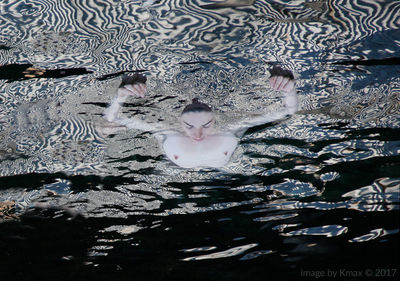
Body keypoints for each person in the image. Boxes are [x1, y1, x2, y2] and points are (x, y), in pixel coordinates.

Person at [101, 66, 298, 168]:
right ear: (179, 122)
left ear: (216, 119)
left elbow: (113, 119)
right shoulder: (167, 132)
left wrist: (121, 97)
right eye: (189, 126)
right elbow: (288, 111)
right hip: (174, 171)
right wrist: (288, 89)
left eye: (206, 125)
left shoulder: (232, 128)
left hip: (229, 169)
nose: (198, 135)